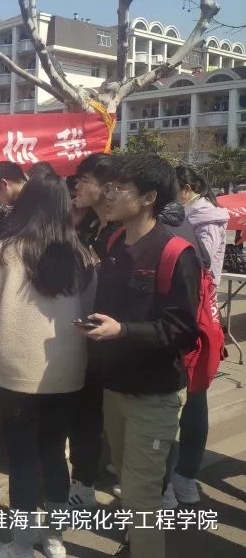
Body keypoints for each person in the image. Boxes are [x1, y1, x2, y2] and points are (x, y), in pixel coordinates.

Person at [0, 174, 96, 558]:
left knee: (22, 459)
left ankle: (21, 544)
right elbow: (91, 312)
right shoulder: (82, 255)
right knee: (55, 454)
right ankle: (54, 539)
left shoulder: (5, 252)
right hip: (68, 371)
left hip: (16, 373)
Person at [84, 156, 200, 558]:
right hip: (115, 388)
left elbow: (182, 330)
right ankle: (136, 544)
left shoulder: (175, 252)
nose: (109, 194)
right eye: (108, 186)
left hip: (154, 395)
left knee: (141, 493)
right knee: (128, 483)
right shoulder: (115, 241)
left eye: (119, 189)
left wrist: (123, 330)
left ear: (149, 197)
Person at [166, 166, 230, 505]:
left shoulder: (203, 219)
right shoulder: (196, 216)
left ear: (187, 188)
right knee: (190, 395)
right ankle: (179, 478)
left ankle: (181, 477)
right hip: (199, 313)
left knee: (188, 395)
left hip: (196, 312)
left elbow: (202, 266)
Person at [66, 153, 122, 510]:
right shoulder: (90, 227)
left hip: (120, 344)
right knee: (87, 414)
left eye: (84, 180)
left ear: (107, 187)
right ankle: (83, 481)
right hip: (91, 340)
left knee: (119, 421)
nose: (77, 187)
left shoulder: (126, 231)